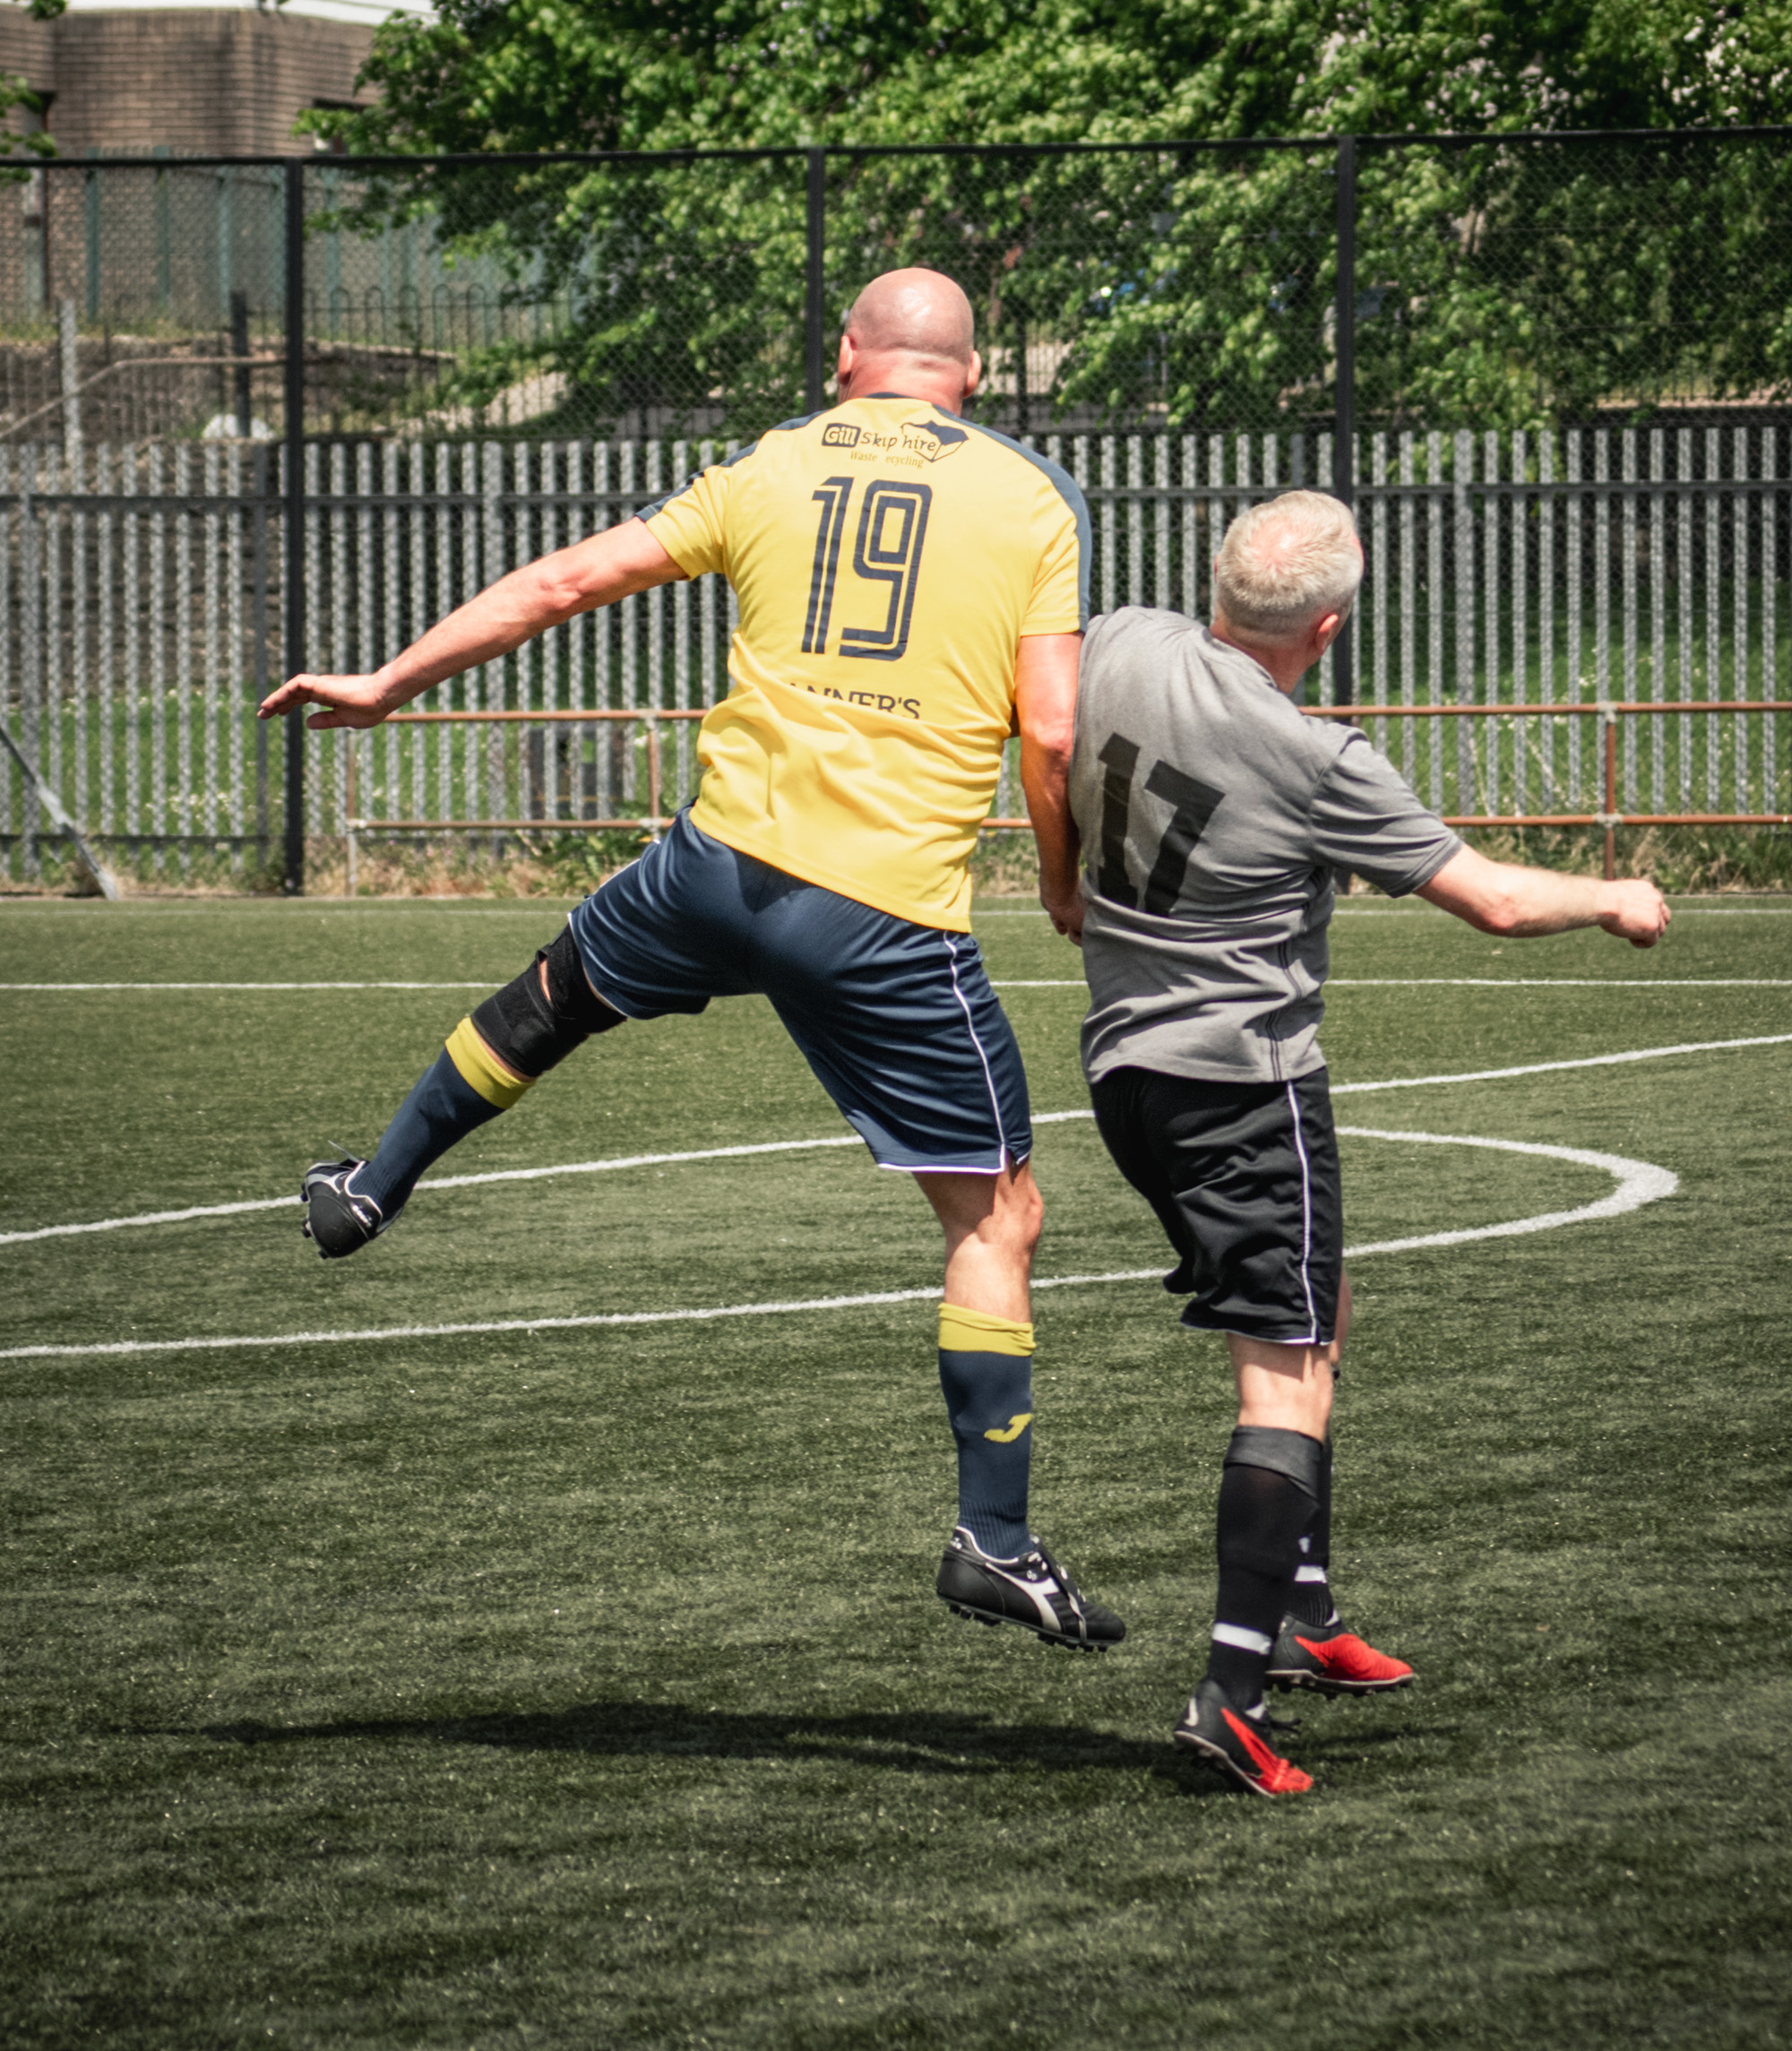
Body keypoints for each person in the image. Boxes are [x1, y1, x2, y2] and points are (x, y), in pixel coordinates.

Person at [259, 267, 1124, 1654]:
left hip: (714, 870)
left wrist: (384, 685)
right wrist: (1067, 879)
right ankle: (996, 1543)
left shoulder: (770, 463)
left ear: (850, 356)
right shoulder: (1031, 498)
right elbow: (1058, 734)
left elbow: (563, 581)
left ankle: (370, 1186)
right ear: (976, 370)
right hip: (883, 914)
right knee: (998, 1222)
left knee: (556, 992)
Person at [1062, 487, 1668, 1794]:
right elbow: (1496, 902)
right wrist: (1616, 893)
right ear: (1329, 626)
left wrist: (1062, 876)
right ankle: (1230, 1692)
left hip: (1125, 1068)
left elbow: (1038, 721)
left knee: (1319, 1307)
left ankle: (1303, 1615)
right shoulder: (1317, 757)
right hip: (1245, 1086)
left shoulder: (1121, 640)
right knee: (1285, 1376)